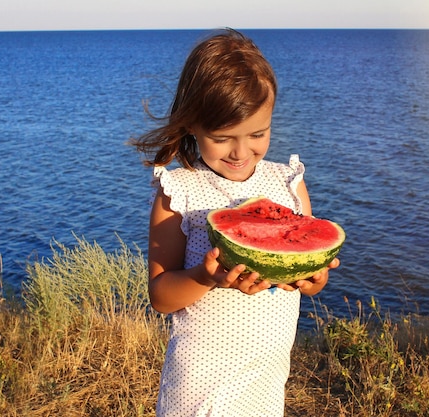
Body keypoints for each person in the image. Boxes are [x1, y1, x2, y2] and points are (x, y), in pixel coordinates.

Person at [131, 28, 340, 416]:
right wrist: (205, 277)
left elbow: (301, 269)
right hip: (198, 387)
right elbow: (160, 296)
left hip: (264, 382)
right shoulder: (179, 191)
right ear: (192, 124)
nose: (242, 151)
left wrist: (315, 279)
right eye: (223, 137)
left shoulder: (288, 182)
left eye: (258, 133)